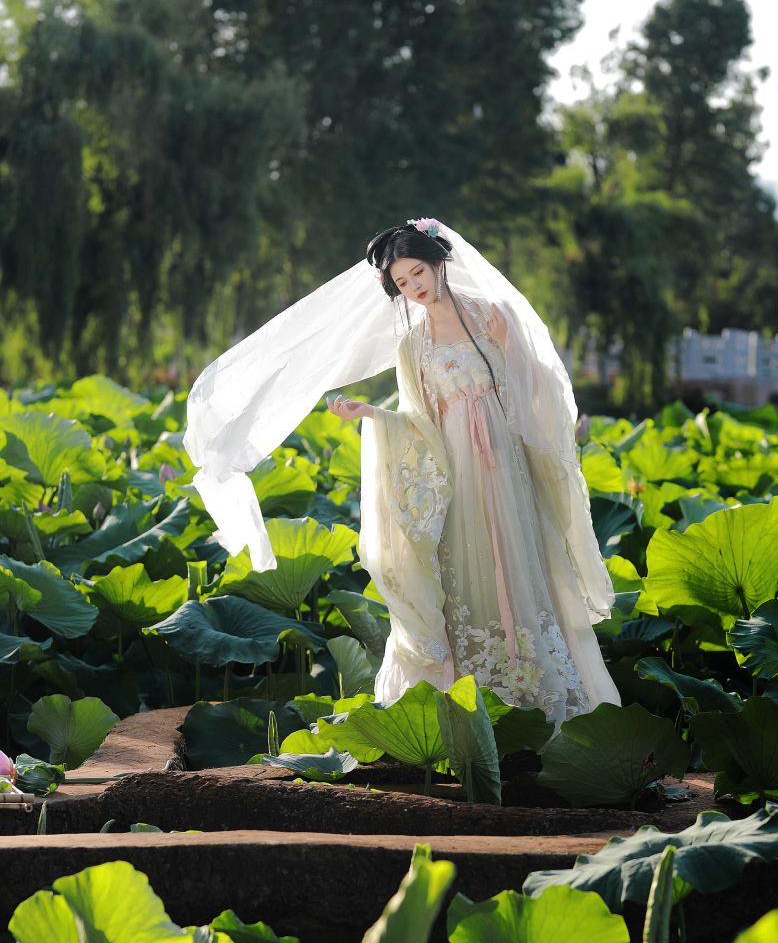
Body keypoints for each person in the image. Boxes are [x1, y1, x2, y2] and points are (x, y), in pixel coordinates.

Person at [183, 217, 620, 723]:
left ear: (438, 261)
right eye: (402, 284)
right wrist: (372, 415)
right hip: (455, 471)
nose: (414, 288)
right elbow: (420, 422)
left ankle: (534, 692)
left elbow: (537, 393)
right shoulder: (413, 346)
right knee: (463, 569)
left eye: (418, 273)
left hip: (506, 470)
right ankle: (467, 696)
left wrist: (512, 349)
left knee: (520, 564)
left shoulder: (491, 316)